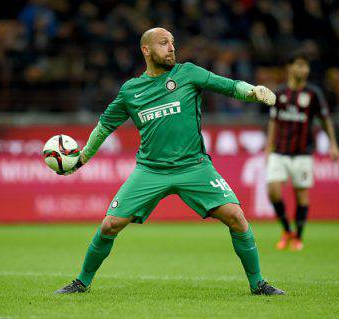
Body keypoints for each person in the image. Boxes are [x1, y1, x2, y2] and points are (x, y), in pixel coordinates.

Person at [56, 27, 284, 295]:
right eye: (164, 43)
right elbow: (104, 127)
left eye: (173, 43)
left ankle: (258, 283)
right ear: (146, 50)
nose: (172, 48)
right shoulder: (131, 90)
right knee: (110, 224)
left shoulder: (188, 73)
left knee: (236, 217)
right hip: (150, 171)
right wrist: (81, 159)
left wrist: (253, 92)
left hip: (195, 168)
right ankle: (81, 282)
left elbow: (230, 86)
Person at [265, 53, 339, 251]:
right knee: (273, 191)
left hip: (303, 153)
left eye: (306, 66)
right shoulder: (279, 93)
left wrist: (333, 144)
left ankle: (297, 237)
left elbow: (325, 119)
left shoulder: (314, 93)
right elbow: (273, 122)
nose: (303, 70)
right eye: (299, 65)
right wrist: (268, 149)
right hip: (279, 152)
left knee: (301, 196)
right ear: (290, 68)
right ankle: (287, 230)